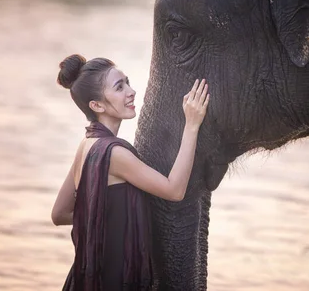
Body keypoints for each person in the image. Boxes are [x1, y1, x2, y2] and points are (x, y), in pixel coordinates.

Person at [51, 54, 209, 291]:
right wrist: (192, 125)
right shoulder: (114, 153)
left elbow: (59, 213)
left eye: (127, 82)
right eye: (119, 87)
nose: (131, 91)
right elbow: (174, 190)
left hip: (86, 279)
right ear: (97, 105)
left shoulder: (87, 145)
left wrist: (100, 215)